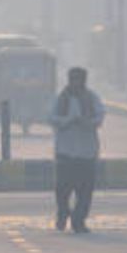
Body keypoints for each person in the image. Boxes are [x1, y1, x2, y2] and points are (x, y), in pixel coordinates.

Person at [49, 66, 106, 234]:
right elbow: (51, 117)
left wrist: (85, 122)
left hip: (86, 152)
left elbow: (100, 117)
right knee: (62, 190)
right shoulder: (60, 98)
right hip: (65, 151)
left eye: (78, 79)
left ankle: (78, 221)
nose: (75, 83)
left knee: (85, 191)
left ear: (83, 81)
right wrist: (67, 121)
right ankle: (63, 213)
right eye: (73, 79)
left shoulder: (91, 97)